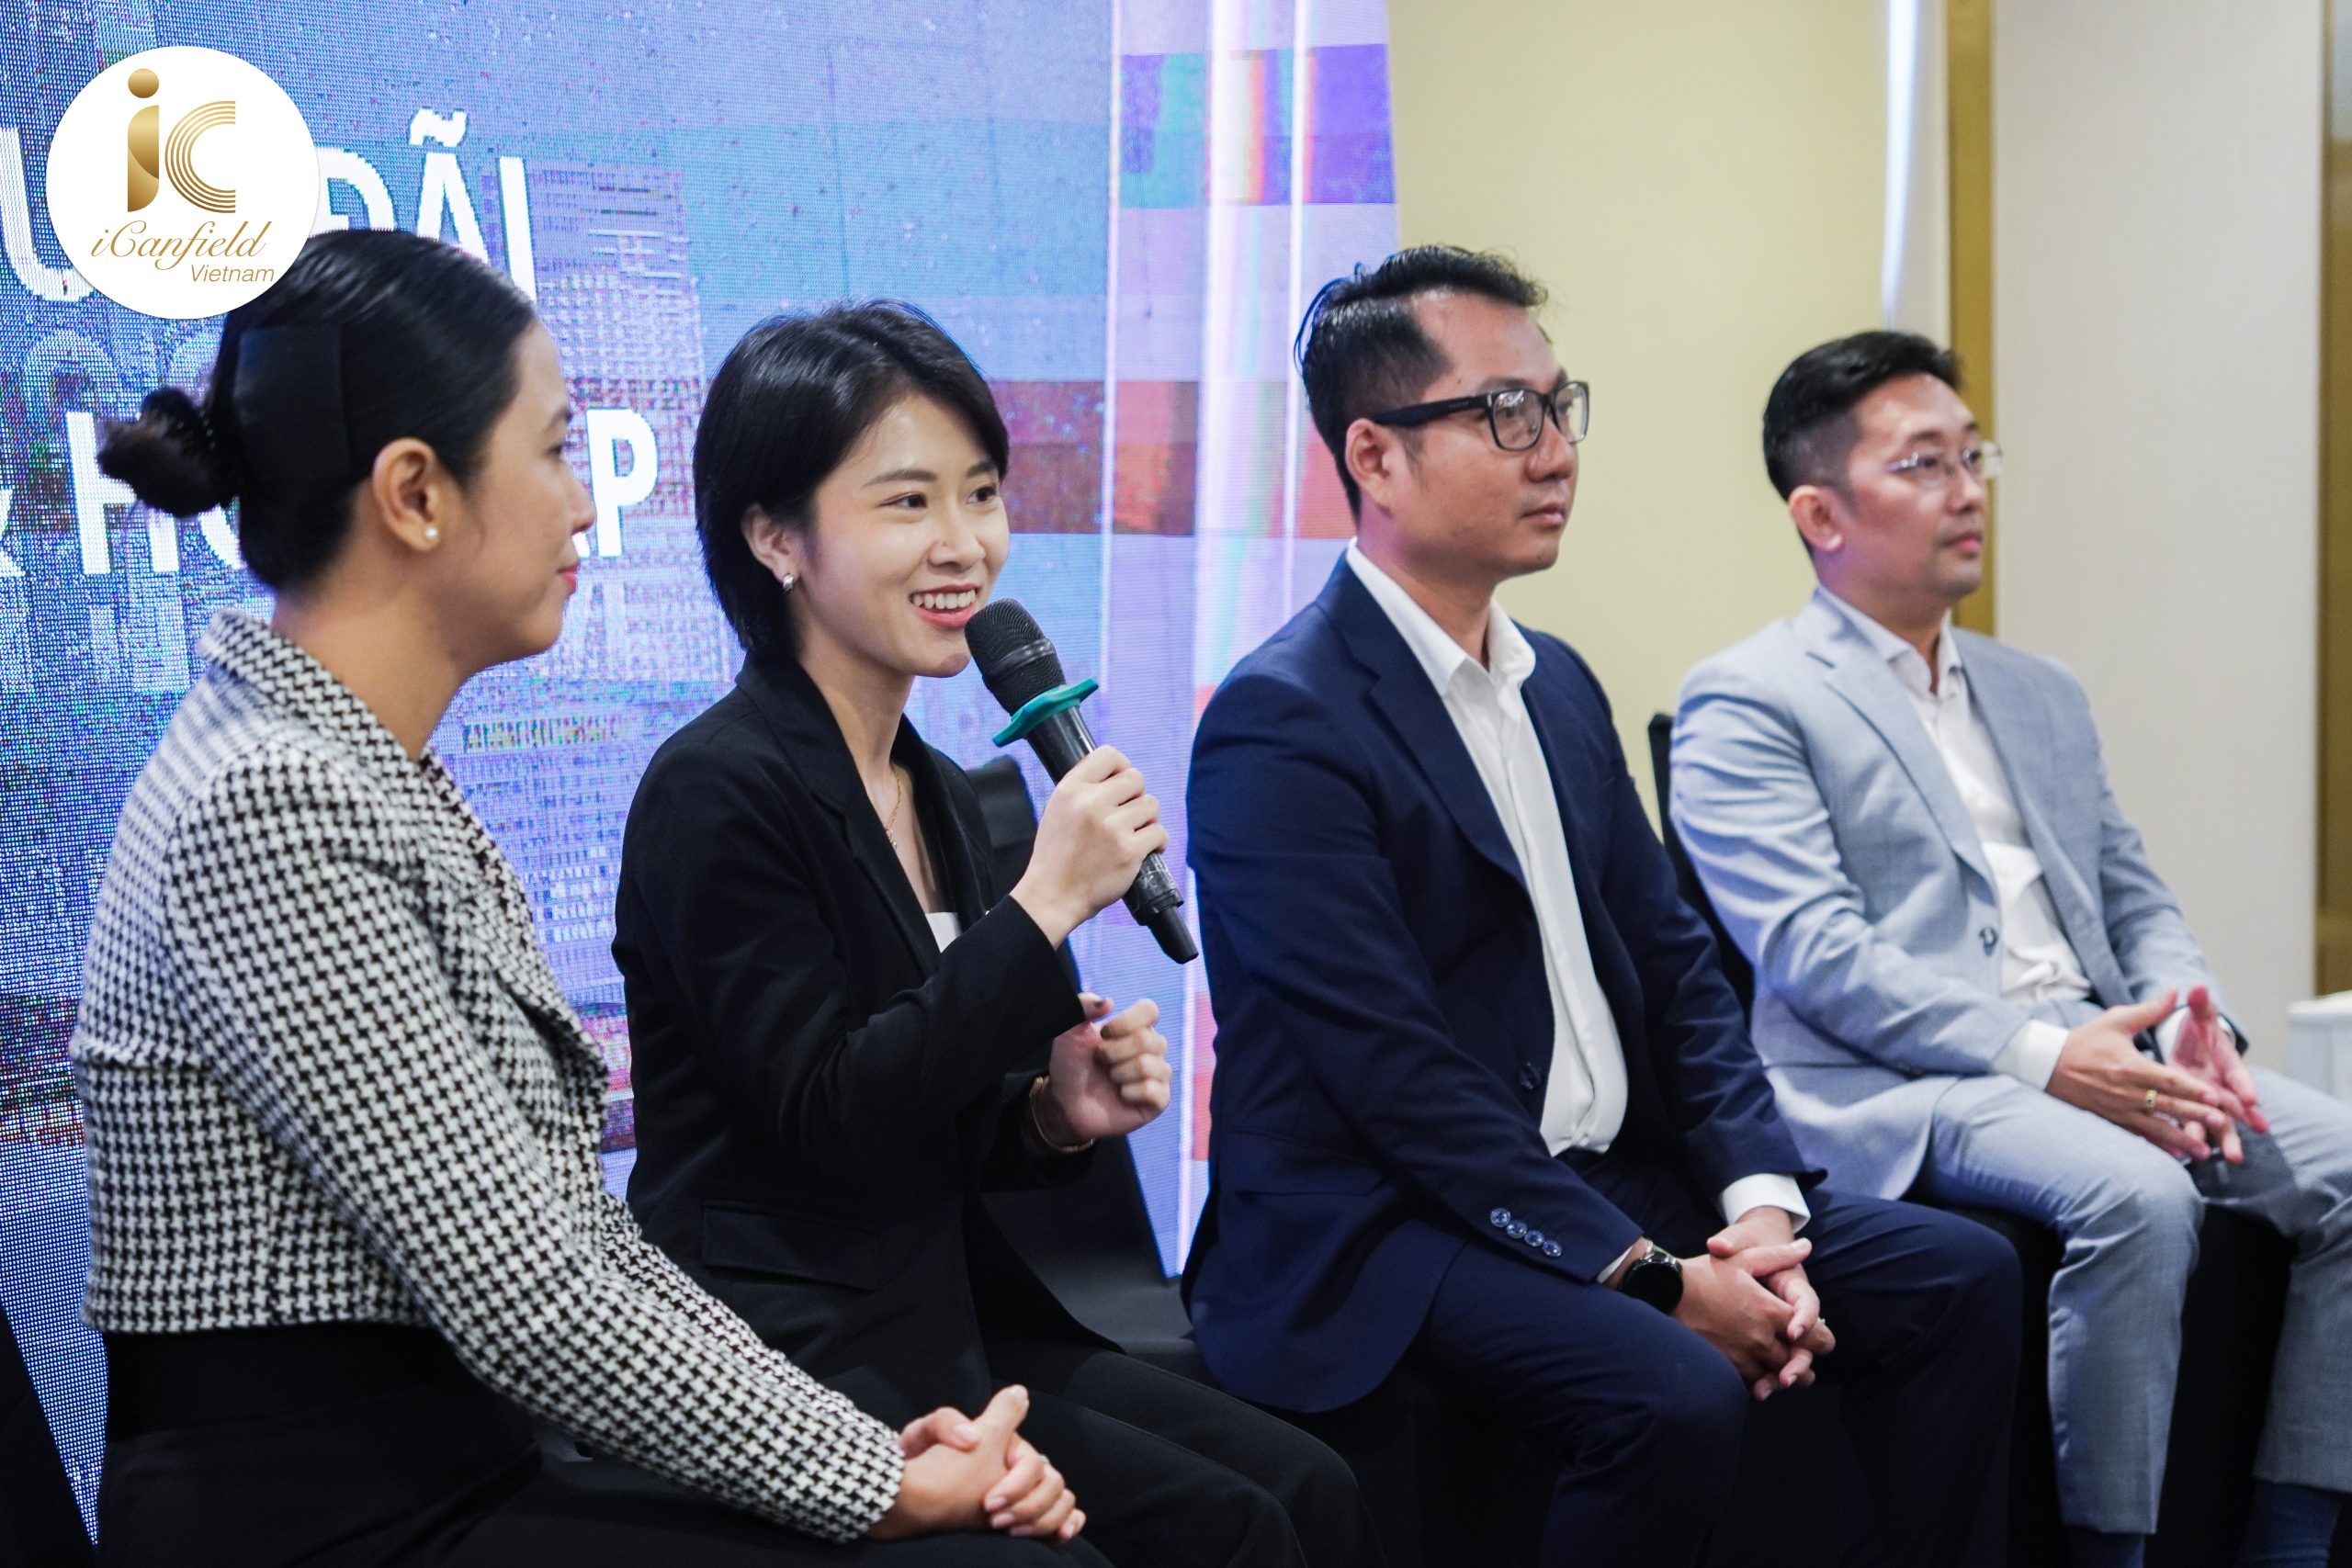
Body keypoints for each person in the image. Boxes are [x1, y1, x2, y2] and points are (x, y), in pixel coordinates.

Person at [77, 229, 1089, 1566]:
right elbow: (530, 1291)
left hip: (467, 1459)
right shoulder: (274, 801)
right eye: (555, 451)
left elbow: (574, 1248)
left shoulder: (352, 769)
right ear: (415, 494)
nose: (584, 506)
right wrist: (877, 1481)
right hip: (331, 1514)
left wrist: (856, 1445)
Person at [1182, 246, 2024, 1568]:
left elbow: (1682, 974)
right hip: (1388, 1227)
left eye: (1559, 407)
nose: (1557, 452)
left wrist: (1759, 1209)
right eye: (1505, 414)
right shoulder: (1282, 723)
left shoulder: (1557, 683)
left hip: (1605, 1178)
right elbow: (1395, 1082)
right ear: (1376, 457)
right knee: (1668, 1387)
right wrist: (1655, 1275)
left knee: (1956, 1277)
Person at [612, 301, 1383, 1568]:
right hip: (792, 1351)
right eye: (907, 503)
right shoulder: (717, 789)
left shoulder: (938, 785)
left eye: (981, 494)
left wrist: (1051, 1114)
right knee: (1227, 1531)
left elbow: (941, 1111)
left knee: (1304, 1486)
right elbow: (827, 1118)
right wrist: (1042, 906)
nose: (964, 544)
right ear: (774, 537)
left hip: (949, 1311)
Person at [1670, 329, 2352, 1568]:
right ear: (1820, 513)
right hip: (1909, 1079)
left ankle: (2294, 1537)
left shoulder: (2039, 689)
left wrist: (2191, 1017)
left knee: (2348, 1162)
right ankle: (2112, 1551)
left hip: (2100, 1042)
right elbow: (1818, 955)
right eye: (1923, 462)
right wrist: (2047, 1056)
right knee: (2137, 1195)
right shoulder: (1752, 696)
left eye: (1973, 455)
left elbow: (2133, 895)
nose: (1968, 490)